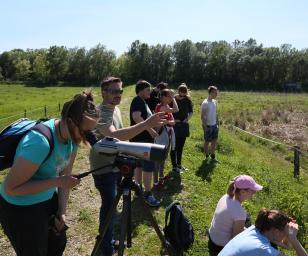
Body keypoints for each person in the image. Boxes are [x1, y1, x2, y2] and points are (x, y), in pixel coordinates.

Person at [0, 92, 99, 256]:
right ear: (70, 121)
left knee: (57, 245)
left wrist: (62, 211)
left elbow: (64, 178)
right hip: (19, 208)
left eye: (91, 132)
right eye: (85, 131)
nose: (88, 137)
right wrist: (57, 182)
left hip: (46, 200)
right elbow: (11, 188)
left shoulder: (72, 141)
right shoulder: (40, 142)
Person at [89, 77, 163, 256]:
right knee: (109, 208)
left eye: (120, 91)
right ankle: (105, 248)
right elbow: (117, 136)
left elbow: (120, 139)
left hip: (116, 164)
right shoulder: (101, 113)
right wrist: (145, 124)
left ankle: (109, 239)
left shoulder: (114, 110)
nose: (118, 95)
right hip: (104, 168)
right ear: (103, 92)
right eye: (113, 91)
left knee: (112, 208)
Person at [208, 175, 263, 255]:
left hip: (212, 237)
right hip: (220, 246)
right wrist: (249, 232)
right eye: (253, 191)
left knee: (246, 218)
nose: (253, 194)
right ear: (242, 192)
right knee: (248, 223)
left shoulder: (226, 196)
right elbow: (236, 239)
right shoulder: (239, 212)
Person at [219, 208, 308, 256]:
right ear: (276, 231)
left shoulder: (255, 229)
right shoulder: (264, 250)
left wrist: (290, 238)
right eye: (286, 232)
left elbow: (287, 246)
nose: (287, 235)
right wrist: (293, 239)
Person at [130, 80, 162, 207]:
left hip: (139, 139)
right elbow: (136, 117)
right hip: (142, 140)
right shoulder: (137, 100)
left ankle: (139, 190)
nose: (150, 92)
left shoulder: (142, 102)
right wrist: (150, 131)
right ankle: (148, 194)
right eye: (148, 89)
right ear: (141, 90)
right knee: (148, 166)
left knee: (139, 165)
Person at [153, 89, 178, 188]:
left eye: (171, 96)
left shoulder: (166, 107)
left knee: (163, 156)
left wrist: (167, 122)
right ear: (163, 97)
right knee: (158, 158)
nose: (171, 98)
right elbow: (176, 109)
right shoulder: (161, 107)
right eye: (169, 96)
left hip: (167, 134)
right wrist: (174, 98)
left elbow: (173, 122)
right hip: (161, 134)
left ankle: (161, 176)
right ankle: (155, 182)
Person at [170, 83, 193, 173]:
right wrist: (174, 120)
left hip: (183, 125)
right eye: (181, 91)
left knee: (181, 146)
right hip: (174, 124)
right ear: (178, 90)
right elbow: (169, 110)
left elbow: (191, 111)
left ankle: (179, 164)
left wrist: (187, 119)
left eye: (184, 91)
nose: (183, 93)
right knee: (174, 146)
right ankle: (174, 166)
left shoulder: (188, 100)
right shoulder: (173, 99)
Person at [201, 85, 219, 161]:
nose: (216, 94)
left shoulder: (214, 102)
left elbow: (215, 113)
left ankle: (213, 156)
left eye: (216, 93)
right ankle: (206, 156)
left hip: (214, 125)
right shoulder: (205, 103)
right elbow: (202, 116)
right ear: (211, 93)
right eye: (215, 93)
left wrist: (217, 124)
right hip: (208, 126)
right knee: (207, 141)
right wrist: (205, 127)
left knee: (214, 141)